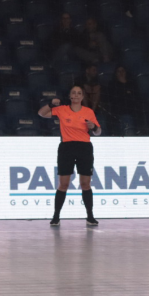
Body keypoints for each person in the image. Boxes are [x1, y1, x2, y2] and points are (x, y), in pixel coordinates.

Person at [38, 86, 102, 227]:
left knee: (85, 184)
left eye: (79, 93)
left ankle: (90, 216)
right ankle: (56, 216)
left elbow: (98, 132)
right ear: (70, 96)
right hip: (67, 147)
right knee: (63, 184)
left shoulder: (88, 112)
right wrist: (50, 104)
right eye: (74, 93)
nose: (76, 95)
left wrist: (94, 127)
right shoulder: (62, 109)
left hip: (84, 147)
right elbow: (41, 113)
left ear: (82, 97)